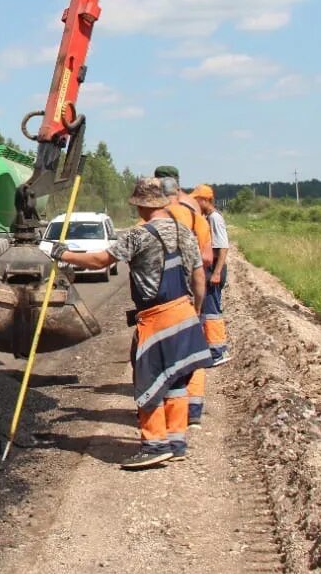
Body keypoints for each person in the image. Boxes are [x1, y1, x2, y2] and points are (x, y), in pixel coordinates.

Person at [52, 177, 212, 469]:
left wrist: (64, 254)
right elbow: (199, 278)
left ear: (141, 205)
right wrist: (195, 313)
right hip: (185, 312)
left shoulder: (138, 236)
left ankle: (154, 445)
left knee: (147, 381)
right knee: (175, 380)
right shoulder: (185, 232)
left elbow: (101, 261)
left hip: (157, 318)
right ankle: (177, 441)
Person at [154, 165, 214, 428]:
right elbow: (207, 257)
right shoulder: (195, 214)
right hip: (189, 295)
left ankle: (168, 419)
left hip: (161, 299)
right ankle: (194, 410)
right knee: (192, 351)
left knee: (161, 356)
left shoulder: (152, 218)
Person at [192, 184, 231, 368]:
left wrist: (216, 273)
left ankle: (217, 352)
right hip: (211, 269)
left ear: (206, 200)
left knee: (212, 312)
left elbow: (222, 247)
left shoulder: (215, 218)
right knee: (209, 311)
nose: (195, 202)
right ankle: (213, 350)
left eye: (197, 199)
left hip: (215, 269)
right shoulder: (207, 217)